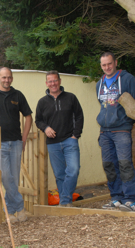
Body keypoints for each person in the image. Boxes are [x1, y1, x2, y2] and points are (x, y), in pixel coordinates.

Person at [0, 67, 32, 223]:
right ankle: (20, 207)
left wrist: (23, 139)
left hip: (16, 142)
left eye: (9, 77)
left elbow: (28, 117)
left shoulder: (18, 95)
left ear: (12, 78)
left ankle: (9, 212)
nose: (6, 80)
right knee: (6, 176)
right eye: (3, 77)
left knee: (13, 178)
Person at [96, 52, 135, 212]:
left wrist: (126, 123)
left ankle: (130, 200)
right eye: (104, 65)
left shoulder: (128, 79)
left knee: (125, 164)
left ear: (115, 62)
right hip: (105, 132)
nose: (107, 67)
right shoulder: (99, 84)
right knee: (109, 165)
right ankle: (116, 198)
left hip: (122, 130)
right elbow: (103, 106)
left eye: (109, 63)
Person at [35, 70, 84, 207]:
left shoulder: (71, 97)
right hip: (53, 144)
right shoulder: (42, 102)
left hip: (70, 140)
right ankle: (66, 203)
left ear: (60, 81)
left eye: (55, 80)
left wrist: (75, 135)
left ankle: (64, 199)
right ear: (46, 83)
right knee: (60, 175)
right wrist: (45, 128)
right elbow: (38, 120)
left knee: (73, 170)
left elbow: (79, 116)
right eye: (50, 81)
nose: (53, 83)